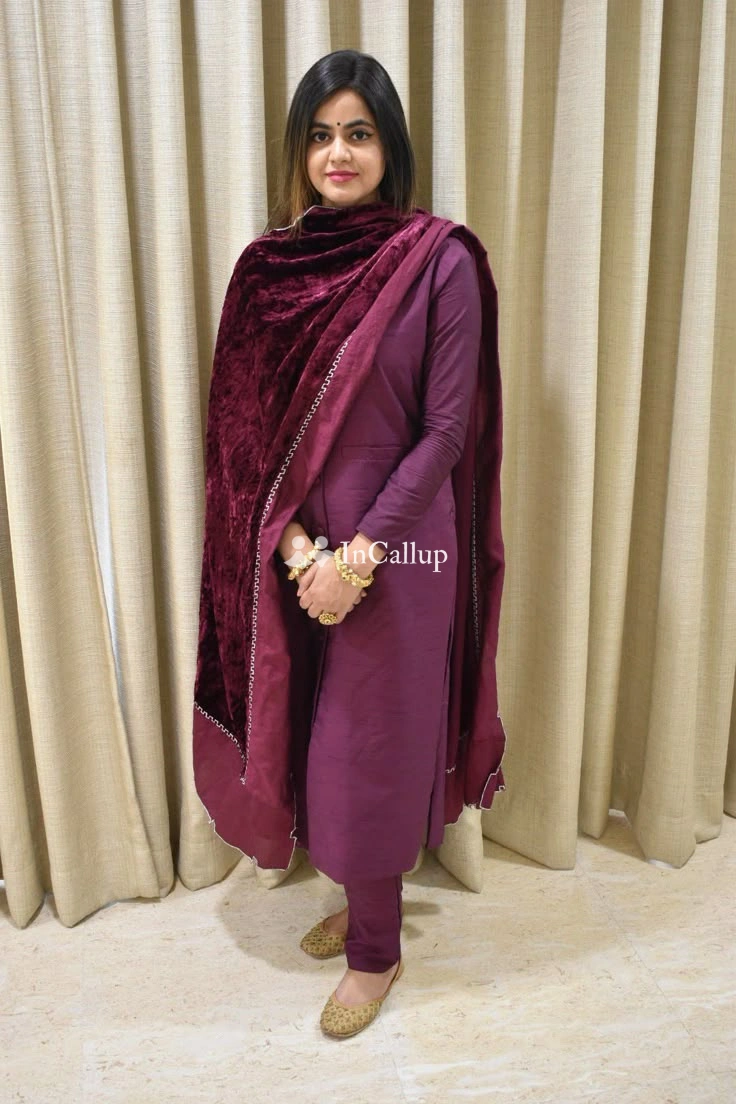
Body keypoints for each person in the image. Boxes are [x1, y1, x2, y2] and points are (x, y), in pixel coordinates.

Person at [192, 48, 506, 1040]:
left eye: (359, 133)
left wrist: (357, 561)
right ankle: (364, 899)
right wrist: (299, 557)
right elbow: (241, 440)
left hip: (399, 557)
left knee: (365, 751)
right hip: (290, 556)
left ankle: (377, 949)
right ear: (299, 150)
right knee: (306, 738)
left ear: (390, 148)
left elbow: (444, 433)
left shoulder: (438, 261)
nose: (339, 153)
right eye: (321, 135)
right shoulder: (268, 272)